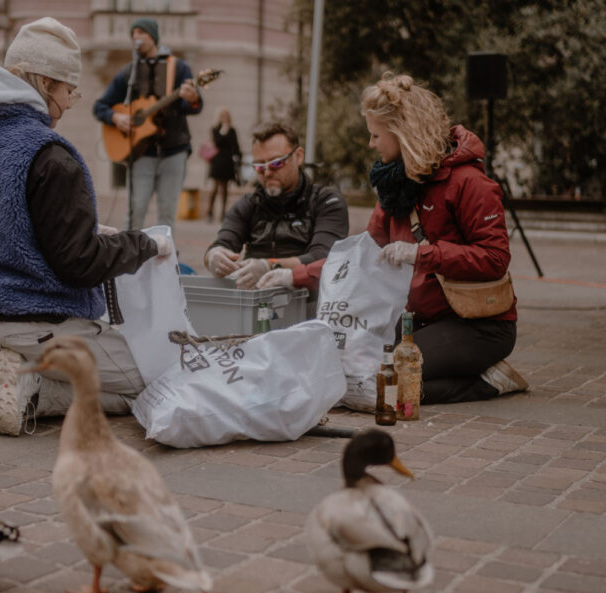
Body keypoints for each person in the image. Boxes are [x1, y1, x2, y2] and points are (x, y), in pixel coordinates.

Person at [0, 17, 170, 437]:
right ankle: (34, 388)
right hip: (36, 324)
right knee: (154, 381)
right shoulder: (50, 156)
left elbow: (3, 222)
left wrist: (88, 227)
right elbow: (78, 263)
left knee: (129, 375)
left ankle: (1, 373)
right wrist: (143, 243)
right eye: (68, 92)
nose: (66, 106)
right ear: (46, 84)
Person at [261, 72, 527, 404]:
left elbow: (495, 259)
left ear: (402, 134)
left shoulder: (470, 182)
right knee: (350, 371)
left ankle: (490, 380)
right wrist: (293, 275)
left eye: (375, 135)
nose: (371, 144)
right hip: (420, 321)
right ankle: (459, 370)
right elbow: (359, 260)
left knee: (388, 383)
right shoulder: (395, 186)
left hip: (480, 324)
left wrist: (423, 254)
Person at [205, 121, 349, 291]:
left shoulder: (326, 201)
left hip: (306, 301)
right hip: (256, 301)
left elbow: (322, 257)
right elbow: (223, 242)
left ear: (299, 156)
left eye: (276, 163)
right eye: (259, 166)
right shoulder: (248, 203)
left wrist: (269, 265)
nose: (267, 172)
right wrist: (214, 256)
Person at [93, 17, 203, 231]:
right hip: (141, 153)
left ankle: (165, 262)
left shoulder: (178, 68)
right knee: (135, 212)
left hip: (174, 150)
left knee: (167, 215)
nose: (136, 37)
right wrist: (116, 118)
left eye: (141, 32)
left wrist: (192, 99)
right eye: (133, 34)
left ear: (153, 37)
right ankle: (131, 261)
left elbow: (194, 108)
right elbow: (100, 106)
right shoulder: (129, 72)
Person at [206, 108, 241, 222]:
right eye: (223, 116)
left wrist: (238, 157)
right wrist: (223, 131)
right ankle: (210, 212)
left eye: (227, 116)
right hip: (218, 162)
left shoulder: (232, 131)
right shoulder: (215, 129)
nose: (225, 118)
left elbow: (235, 146)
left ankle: (222, 213)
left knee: (225, 189)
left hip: (227, 162)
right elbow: (217, 142)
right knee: (215, 187)